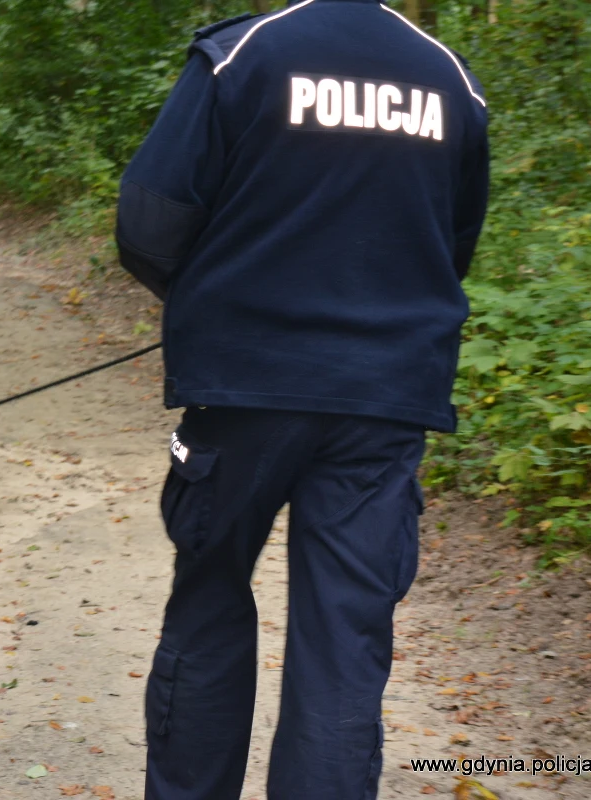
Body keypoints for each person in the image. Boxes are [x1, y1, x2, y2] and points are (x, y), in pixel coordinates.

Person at [114, 1, 490, 798]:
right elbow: (451, 244)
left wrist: (216, 299)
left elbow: (148, 222)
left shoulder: (245, 54)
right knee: (344, 638)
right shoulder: (446, 77)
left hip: (244, 389)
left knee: (209, 605)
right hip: (385, 398)